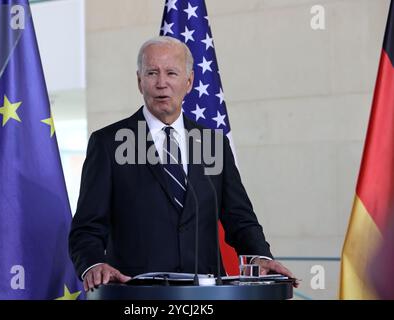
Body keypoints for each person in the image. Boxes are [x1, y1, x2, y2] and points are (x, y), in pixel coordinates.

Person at [69, 36, 296, 291]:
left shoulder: (213, 143)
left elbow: (239, 217)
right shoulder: (108, 143)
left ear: (189, 82)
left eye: (171, 73)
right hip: (137, 294)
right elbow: (86, 228)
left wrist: (260, 256)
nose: (161, 83)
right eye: (152, 72)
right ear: (139, 81)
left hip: (207, 293)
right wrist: (93, 264)